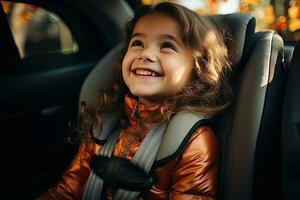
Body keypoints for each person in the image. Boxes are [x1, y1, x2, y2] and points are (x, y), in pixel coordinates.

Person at [37, 2, 232, 200]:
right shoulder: (105, 121)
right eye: (138, 43)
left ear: (197, 67)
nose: (145, 54)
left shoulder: (193, 142)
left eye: (167, 45)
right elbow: (67, 190)